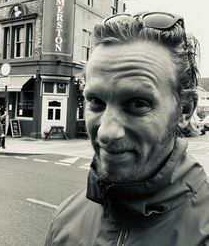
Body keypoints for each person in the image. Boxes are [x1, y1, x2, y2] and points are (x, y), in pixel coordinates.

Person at [45, 12, 209, 245]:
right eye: (96, 102)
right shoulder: (65, 220)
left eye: (137, 104)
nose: (106, 133)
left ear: (184, 110)